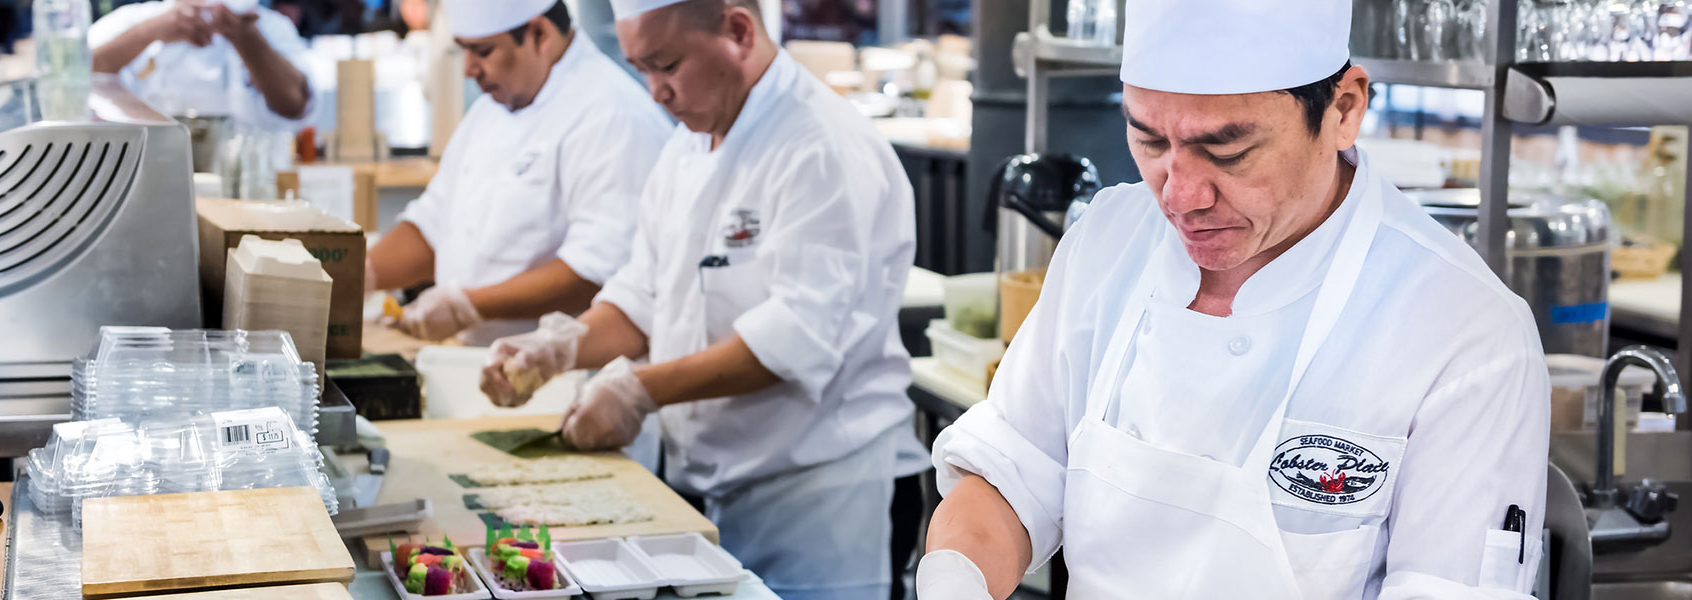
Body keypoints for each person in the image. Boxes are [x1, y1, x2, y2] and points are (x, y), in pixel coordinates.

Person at [918, 1, 1549, 598]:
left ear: (1343, 110)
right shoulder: (1109, 241)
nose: (1180, 195)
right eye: (1151, 143)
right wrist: (955, 580)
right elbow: (1010, 472)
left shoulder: (1467, 329)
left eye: (1228, 151)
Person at [476, 0, 917, 597]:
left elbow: (794, 338)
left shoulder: (821, 146)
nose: (656, 92)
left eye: (666, 65)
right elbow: (644, 294)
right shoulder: (690, 141)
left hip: (815, 498)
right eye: (641, 70)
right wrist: (561, 346)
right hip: (707, 485)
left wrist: (639, 390)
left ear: (737, 30)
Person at [367, 0, 671, 346]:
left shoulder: (613, 116)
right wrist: (360, 273)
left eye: (482, 51)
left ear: (539, 34)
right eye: (464, 50)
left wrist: (470, 306)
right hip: (476, 363)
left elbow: (597, 270)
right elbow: (434, 225)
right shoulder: (489, 111)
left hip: (561, 374)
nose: (469, 69)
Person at [90, 0, 316, 128]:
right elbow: (71, 78)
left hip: (248, 183)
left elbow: (296, 106)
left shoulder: (271, 26)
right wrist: (151, 31)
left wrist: (246, 37)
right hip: (146, 172)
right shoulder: (131, 20)